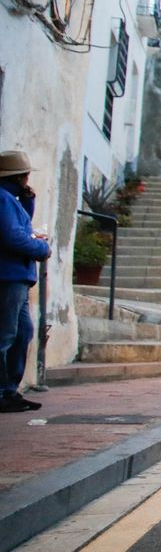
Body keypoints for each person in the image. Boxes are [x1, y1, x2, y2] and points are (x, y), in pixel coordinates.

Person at [0, 152, 48, 413]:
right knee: (6, 334)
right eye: (26, 174)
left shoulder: (11, 199)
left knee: (22, 333)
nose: (29, 178)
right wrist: (41, 248)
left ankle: (9, 389)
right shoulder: (3, 199)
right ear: (18, 176)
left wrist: (28, 201)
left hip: (16, 276)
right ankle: (2, 391)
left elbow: (21, 226)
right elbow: (14, 237)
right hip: (9, 276)